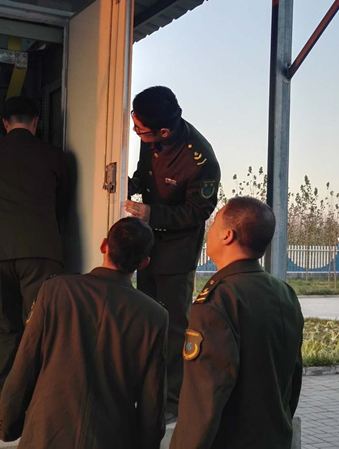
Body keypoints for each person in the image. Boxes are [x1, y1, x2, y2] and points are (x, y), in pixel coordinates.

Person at [0, 217, 169, 449]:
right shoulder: (154, 315)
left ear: (104, 245)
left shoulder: (56, 290)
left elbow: (25, 364)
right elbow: (152, 399)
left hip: (45, 434)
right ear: (144, 263)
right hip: (112, 439)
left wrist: (8, 424)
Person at [170, 197, 304, 449]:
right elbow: (293, 379)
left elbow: (202, 401)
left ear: (227, 236)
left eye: (213, 223)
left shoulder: (217, 301)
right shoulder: (284, 293)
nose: (209, 230)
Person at [125, 86, 220, 418]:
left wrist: (152, 214)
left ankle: (171, 402)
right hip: (148, 245)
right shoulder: (149, 135)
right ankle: (144, 391)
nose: (135, 131)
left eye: (140, 129)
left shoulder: (200, 159)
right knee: (146, 321)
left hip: (176, 254)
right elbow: (145, 175)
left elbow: (197, 211)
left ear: (163, 131)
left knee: (174, 328)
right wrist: (126, 185)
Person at [0, 96, 69, 406]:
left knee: (7, 326)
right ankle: (38, 395)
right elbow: (62, 204)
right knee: (40, 324)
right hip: (41, 250)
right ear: (36, 121)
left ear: (4, 122)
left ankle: (5, 394)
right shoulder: (55, 156)